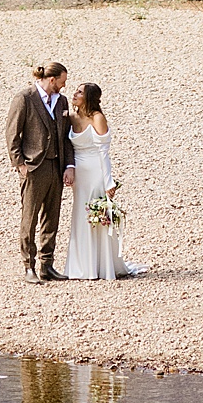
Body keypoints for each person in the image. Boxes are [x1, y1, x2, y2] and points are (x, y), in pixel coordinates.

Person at [4, 61, 75, 281]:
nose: (64, 87)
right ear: (51, 80)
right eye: (62, 82)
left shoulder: (61, 101)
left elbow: (66, 137)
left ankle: (47, 265)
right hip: (34, 168)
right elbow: (12, 134)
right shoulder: (24, 98)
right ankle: (29, 266)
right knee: (30, 218)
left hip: (56, 166)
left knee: (52, 217)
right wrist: (21, 165)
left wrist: (69, 165)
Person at [62, 82, 137, 279]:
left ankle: (102, 264)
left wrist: (108, 181)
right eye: (76, 90)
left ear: (89, 97)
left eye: (80, 92)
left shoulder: (97, 118)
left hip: (95, 170)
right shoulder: (70, 117)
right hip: (79, 173)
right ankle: (81, 266)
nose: (75, 93)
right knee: (80, 215)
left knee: (96, 214)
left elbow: (104, 152)